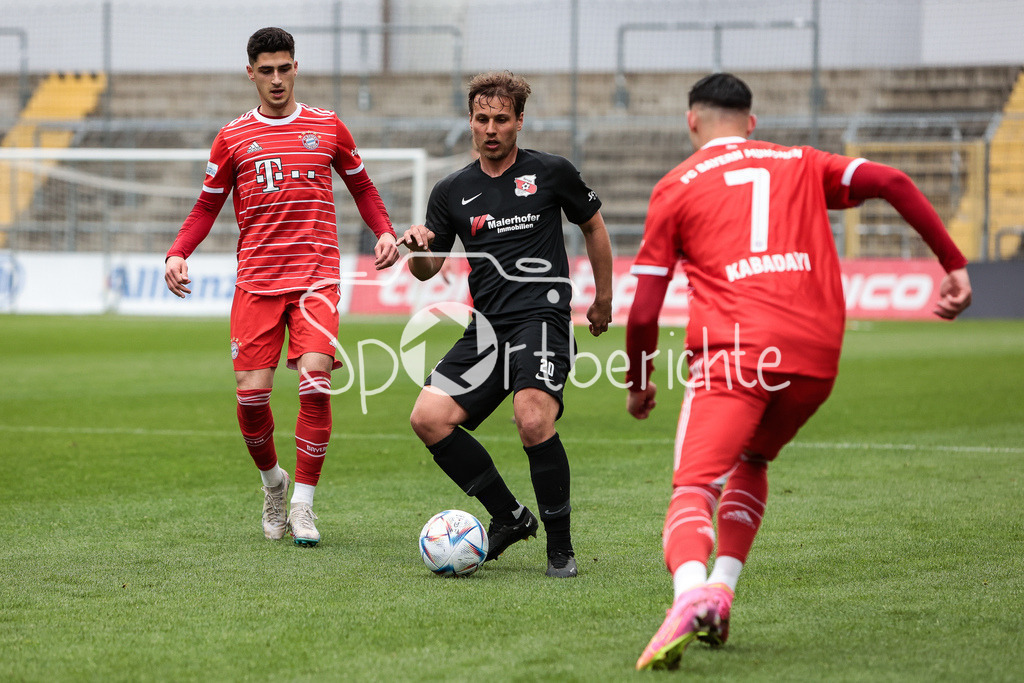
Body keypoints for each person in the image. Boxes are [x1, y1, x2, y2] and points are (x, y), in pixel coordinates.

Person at [626, 73, 972, 669]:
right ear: (751, 122)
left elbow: (645, 310)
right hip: (814, 360)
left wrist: (639, 381)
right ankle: (722, 593)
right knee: (753, 461)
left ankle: (687, 597)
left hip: (735, 356)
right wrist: (954, 265)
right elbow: (891, 180)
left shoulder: (675, 187)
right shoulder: (803, 162)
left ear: (692, 120)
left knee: (693, 486)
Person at [164, 27, 400, 547]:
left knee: (315, 383)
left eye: (284, 68)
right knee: (251, 400)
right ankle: (274, 483)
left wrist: (384, 231)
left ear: (296, 68)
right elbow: (207, 206)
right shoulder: (231, 138)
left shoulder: (328, 127)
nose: (276, 79)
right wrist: (179, 251)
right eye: (266, 70)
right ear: (250, 73)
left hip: (317, 278)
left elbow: (363, 187)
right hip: (256, 282)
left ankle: (303, 505)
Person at [399, 70, 613, 578]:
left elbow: (594, 226)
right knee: (427, 418)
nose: (490, 129)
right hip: (487, 329)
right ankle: (510, 517)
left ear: (519, 121)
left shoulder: (551, 171)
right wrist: (419, 249)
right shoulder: (452, 190)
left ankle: (560, 548)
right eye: (481, 119)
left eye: (501, 119)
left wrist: (604, 298)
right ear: (469, 122)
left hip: (542, 319)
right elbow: (430, 270)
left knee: (533, 417)